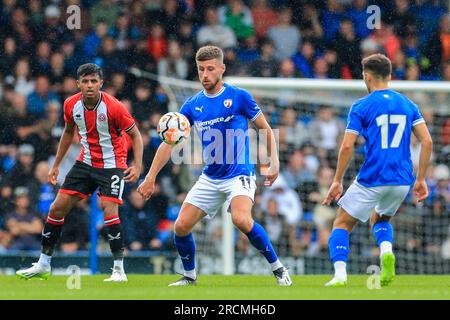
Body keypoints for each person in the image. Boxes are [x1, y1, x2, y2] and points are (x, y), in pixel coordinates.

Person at [137, 45, 292, 286]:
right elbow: (169, 142)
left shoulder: (239, 96)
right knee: (180, 226)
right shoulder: (192, 105)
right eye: (201, 69)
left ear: (222, 68)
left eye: (210, 69)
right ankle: (189, 277)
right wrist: (150, 177)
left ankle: (278, 268)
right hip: (211, 176)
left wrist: (275, 161)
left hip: (239, 172)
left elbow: (265, 128)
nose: (205, 74)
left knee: (240, 219)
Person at [16, 63, 143, 282]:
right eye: (85, 81)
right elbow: (67, 133)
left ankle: (119, 270)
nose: (90, 85)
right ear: (78, 84)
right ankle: (44, 264)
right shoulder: (70, 105)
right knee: (56, 209)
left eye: (94, 81)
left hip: (112, 164)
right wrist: (56, 165)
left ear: (101, 84)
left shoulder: (114, 106)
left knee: (109, 210)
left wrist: (138, 165)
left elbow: (136, 135)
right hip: (85, 163)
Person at [322, 53, 433, 287]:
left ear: (367, 76)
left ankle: (340, 275)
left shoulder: (361, 106)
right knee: (380, 219)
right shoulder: (408, 103)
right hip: (402, 180)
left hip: (374, 176)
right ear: (390, 76)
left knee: (341, 223)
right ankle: (385, 252)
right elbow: (428, 141)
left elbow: (347, 145)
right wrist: (421, 179)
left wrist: (337, 180)